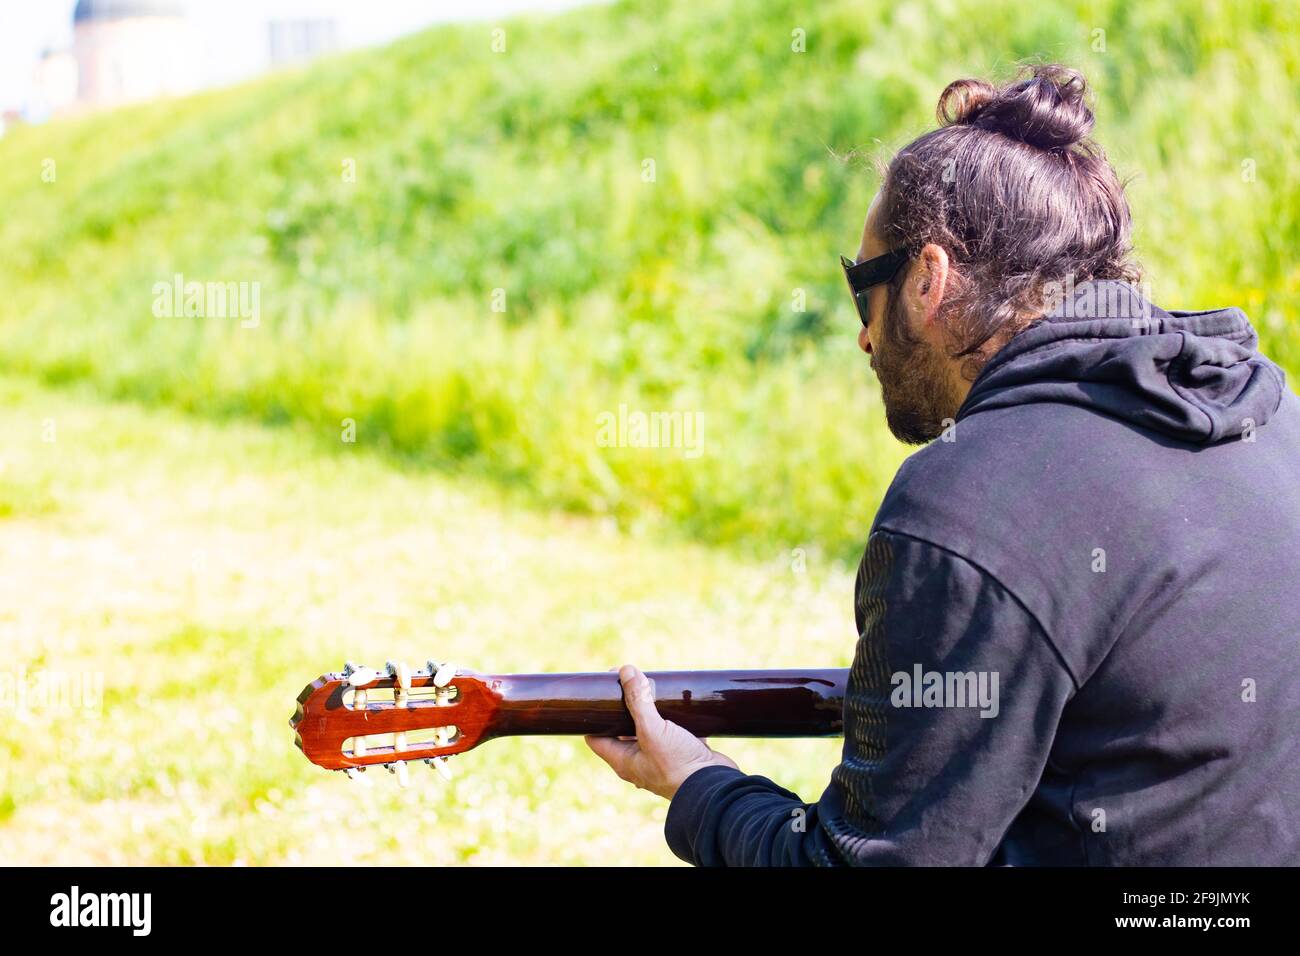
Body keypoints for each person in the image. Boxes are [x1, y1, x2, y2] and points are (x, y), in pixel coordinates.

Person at [586, 64, 1300, 866]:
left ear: (928, 278)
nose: (862, 335)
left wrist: (699, 787)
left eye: (865, 290)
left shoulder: (971, 502)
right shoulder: (1273, 418)